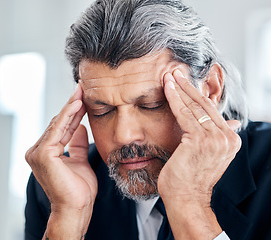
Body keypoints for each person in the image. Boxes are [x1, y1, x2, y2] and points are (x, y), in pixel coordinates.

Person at [24, 0, 271, 239]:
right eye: (102, 110)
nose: (124, 135)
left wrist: (188, 203)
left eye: (151, 105)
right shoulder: (57, 188)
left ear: (211, 88)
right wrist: (66, 221)